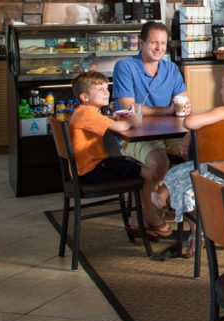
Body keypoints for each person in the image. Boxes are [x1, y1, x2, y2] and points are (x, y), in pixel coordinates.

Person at [153, 65, 224, 254]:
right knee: (181, 175)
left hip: (218, 172)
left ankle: (195, 226)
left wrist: (189, 133)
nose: (220, 90)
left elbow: (189, 121)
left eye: (222, 86)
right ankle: (171, 205)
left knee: (179, 174)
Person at [68, 71, 166, 237]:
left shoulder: (83, 112)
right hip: (93, 171)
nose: (107, 92)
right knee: (146, 172)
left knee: (138, 168)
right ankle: (147, 215)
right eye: (100, 89)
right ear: (84, 96)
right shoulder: (87, 114)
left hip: (87, 169)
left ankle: (140, 217)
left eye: (107, 88)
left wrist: (117, 118)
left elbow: (109, 123)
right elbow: (121, 128)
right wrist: (132, 120)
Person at [112, 21, 190, 192]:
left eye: (163, 43)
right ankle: (151, 209)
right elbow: (129, 108)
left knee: (195, 153)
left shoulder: (171, 69)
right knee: (160, 162)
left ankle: (173, 200)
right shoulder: (125, 67)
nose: (159, 48)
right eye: (154, 42)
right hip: (135, 134)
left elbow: (182, 100)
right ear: (141, 43)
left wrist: (184, 107)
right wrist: (166, 110)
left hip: (170, 133)